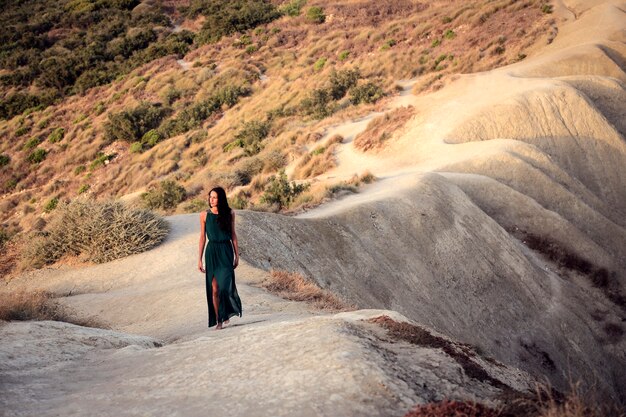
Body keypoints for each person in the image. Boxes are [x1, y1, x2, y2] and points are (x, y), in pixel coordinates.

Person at [198, 186, 242, 330]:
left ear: (220, 198)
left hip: (225, 251)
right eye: (210, 197)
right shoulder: (204, 215)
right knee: (215, 289)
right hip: (211, 253)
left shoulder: (230, 213)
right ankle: (219, 320)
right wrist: (199, 259)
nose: (211, 199)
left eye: (215, 197)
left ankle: (226, 312)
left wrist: (237, 255)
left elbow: (233, 235)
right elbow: (202, 238)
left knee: (225, 287)